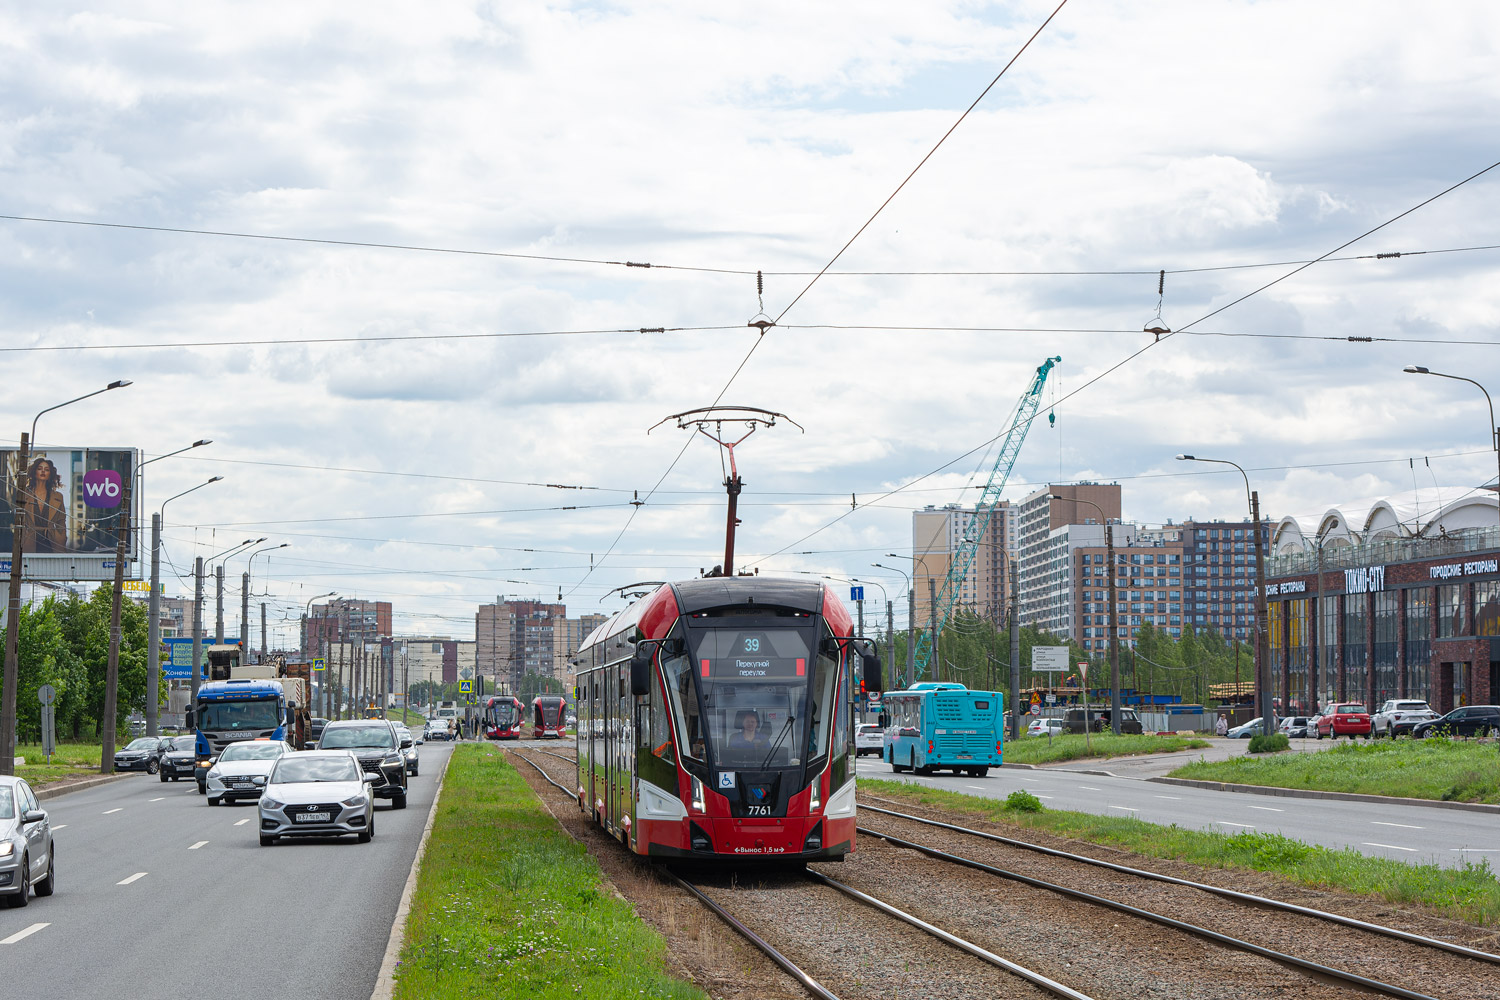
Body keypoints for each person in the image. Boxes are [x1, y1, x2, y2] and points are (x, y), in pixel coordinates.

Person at [20, 456, 67, 553]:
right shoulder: (24, 494)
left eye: (46, 470)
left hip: (52, 541)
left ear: (50, 474)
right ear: (34, 472)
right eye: (39, 469)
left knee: (51, 566)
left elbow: (61, 523)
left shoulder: (58, 496)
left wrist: (61, 539)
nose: (43, 472)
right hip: (29, 541)